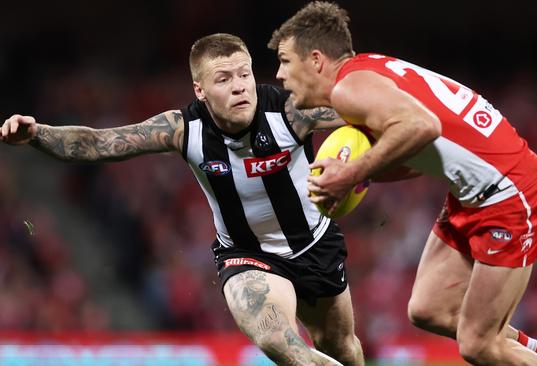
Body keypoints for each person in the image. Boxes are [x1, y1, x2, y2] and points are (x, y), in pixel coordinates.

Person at [1, 33, 363, 366]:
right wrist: (37, 134)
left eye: (244, 74)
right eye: (224, 79)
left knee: (342, 347)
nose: (240, 87)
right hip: (247, 255)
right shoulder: (183, 129)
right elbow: (99, 143)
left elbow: (375, 109)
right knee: (280, 342)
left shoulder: (292, 111)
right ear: (200, 90)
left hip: (315, 243)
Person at [268, 2, 537, 366]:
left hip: (513, 193)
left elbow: (422, 127)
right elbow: (423, 148)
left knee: (478, 345)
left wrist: (351, 174)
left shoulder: (348, 91)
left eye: (285, 60)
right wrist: (361, 173)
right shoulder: (370, 70)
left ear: (315, 59)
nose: (280, 74)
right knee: (428, 309)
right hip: (475, 193)